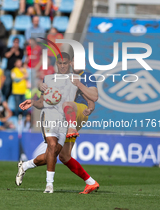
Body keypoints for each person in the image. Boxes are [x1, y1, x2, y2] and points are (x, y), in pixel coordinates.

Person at [16, 54, 100, 194]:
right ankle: (90, 182)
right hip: (63, 118)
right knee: (61, 155)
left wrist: (90, 107)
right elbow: (45, 99)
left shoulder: (87, 76)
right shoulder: (62, 78)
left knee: (68, 105)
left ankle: (49, 185)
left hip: (76, 113)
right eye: (61, 63)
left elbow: (93, 97)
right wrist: (37, 93)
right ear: (71, 62)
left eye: (65, 63)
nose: (63, 65)